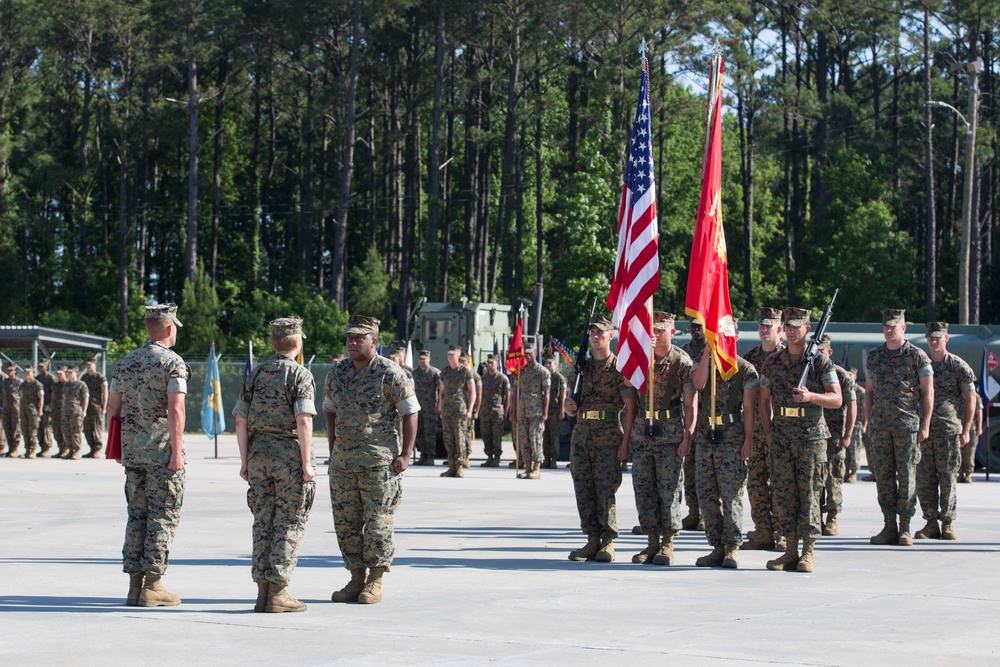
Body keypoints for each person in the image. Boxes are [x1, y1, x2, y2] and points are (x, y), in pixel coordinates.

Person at [324, 315, 419, 605]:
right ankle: (356, 577)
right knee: (346, 523)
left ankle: (375, 580)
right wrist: (333, 448)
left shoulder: (390, 372)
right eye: (349, 338)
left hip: (379, 463)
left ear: (374, 342)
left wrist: (405, 454)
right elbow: (329, 409)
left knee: (378, 523)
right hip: (343, 464)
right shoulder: (337, 372)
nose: (352, 342)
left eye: (358, 338)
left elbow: (410, 411)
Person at [107, 303, 189, 607]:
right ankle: (153, 584)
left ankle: (134, 585)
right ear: (169, 328)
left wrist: (117, 447)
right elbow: (176, 409)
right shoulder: (172, 363)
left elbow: (113, 409)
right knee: (162, 516)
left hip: (133, 454)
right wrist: (177, 451)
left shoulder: (124, 363)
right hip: (161, 453)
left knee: (137, 516)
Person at [234, 316, 316, 613]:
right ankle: (278, 592)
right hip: (288, 457)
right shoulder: (299, 375)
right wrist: (307, 463)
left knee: (262, 523)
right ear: (297, 342)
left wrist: (245, 461)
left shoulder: (255, 374)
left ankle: (262, 591)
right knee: (288, 523)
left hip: (259, 457)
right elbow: (304, 420)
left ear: (272, 342)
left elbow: (240, 419)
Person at [759, 308, 842, 573]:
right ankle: (790, 550)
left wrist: (812, 397)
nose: (792, 330)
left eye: (797, 326)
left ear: (807, 329)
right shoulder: (773, 362)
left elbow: (836, 399)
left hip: (811, 437)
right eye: (788, 326)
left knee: (809, 493)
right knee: (784, 494)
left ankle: (808, 551)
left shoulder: (820, 362)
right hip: (782, 435)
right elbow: (763, 400)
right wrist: (770, 430)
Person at [563, 313, 638, 562]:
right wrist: (568, 406)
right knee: (583, 489)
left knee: (606, 489)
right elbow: (572, 403)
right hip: (582, 432)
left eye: (600, 332)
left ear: (611, 335)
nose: (595, 336)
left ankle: (608, 542)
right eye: (592, 332)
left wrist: (625, 441)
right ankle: (591, 539)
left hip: (607, 433)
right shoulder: (581, 367)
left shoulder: (619, 368)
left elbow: (630, 407)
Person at [685, 322, 757, 569]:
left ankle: (732, 547)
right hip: (705, 436)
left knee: (731, 494)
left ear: (735, 337)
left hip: (732, 437)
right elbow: (699, 384)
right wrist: (707, 352)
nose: (721, 339)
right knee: (706, 493)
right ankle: (716, 545)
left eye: (726, 335)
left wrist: (748, 441)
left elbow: (749, 410)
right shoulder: (702, 360)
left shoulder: (745, 370)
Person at [629, 312, 696, 566]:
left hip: (670, 434)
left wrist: (687, 436)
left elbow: (691, 405)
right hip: (642, 433)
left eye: (660, 330)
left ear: (673, 332)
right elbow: (630, 394)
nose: (655, 335)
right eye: (652, 330)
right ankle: (651, 541)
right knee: (644, 489)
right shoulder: (641, 358)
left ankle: (668, 543)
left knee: (669, 490)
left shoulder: (682, 362)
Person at [864, 308, 933, 546]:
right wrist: (868, 421)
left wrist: (925, 424)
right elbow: (869, 392)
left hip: (907, 426)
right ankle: (889, 526)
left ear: (903, 327)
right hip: (881, 426)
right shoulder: (874, 356)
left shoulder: (917, 356)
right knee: (883, 477)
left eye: (893, 326)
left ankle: (905, 527)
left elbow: (927, 392)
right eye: (885, 326)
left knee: (906, 476)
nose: (888, 330)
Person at [914, 322, 975, 541]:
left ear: (946, 339)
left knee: (948, 476)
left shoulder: (958, 366)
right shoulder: (920, 364)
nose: (934, 341)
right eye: (930, 338)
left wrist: (966, 429)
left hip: (948, 430)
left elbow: (971, 399)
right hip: (924, 430)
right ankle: (930, 522)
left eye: (938, 338)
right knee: (925, 478)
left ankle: (947, 522)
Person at [742, 307, 785, 551]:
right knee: (756, 483)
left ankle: (782, 532)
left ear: (779, 329)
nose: (764, 329)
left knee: (780, 483)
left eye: (769, 326)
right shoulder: (750, 358)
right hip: (754, 431)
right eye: (761, 325)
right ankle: (763, 530)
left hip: (780, 432)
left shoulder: (788, 357)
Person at [817, 335, 857, 537]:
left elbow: (852, 406)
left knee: (833, 479)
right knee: (815, 479)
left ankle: (832, 517)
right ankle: (815, 516)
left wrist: (848, 434)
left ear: (829, 352)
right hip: (815, 436)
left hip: (834, 436)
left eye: (822, 350)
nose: (818, 354)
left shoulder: (840, 376)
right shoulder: (811, 373)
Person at [680, 319, 707, 531]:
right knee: (689, 468)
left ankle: (708, 513)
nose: (695, 328)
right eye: (693, 325)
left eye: (699, 325)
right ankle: (693, 511)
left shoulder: (713, 350)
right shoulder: (684, 353)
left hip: (709, 417)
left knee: (707, 469)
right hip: (689, 417)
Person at [511, 342, 551, 479]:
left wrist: (545, 412)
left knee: (536, 439)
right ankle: (527, 467)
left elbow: (547, 393)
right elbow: (515, 393)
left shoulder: (542, 372)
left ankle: (536, 469)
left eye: (530, 352)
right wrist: (513, 412)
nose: (528, 355)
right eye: (526, 353)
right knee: (524, 439)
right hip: (522, 411)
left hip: (536, 412)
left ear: (536, 353)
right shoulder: (521, 372)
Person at [438, 345, 476, 477]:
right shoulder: (445, 372)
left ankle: (460, 466)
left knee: (460, 438)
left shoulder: (465, 372)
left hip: (460, 410)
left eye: (452, 355)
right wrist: (441, 408)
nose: (450, 357)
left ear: (458, 356)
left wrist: (470, 410)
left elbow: (472, 392)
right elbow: (442, 392)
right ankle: (451, 466)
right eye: (448, 354)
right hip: (447, 409)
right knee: (448, 438)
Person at [479, 354, 511, 467]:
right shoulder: (483, 378)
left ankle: (497, 457)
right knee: (486, 435)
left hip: (497, 411)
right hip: (485, 411)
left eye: (492, 363)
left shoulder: (503, 378)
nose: (489, 365)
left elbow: (508, 396)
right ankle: (489, 457)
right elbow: (480, 395)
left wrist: (506, 410)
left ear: (497, 364)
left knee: (497, 435)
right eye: (488, 363)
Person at [412, 350, 442, 466]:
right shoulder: (414, 373)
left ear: (429, 359)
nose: (422, 361)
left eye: (424, 359)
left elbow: (441, 390)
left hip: (430, 408)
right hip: (418, 408)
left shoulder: (435, 373)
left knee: (429, 433)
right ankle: (423, 455)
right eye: (420, 359)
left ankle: (430, 456)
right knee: (419, 433)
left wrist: (438, 405)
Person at [542, 353, 567, 469]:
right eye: (546, 363)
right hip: (543, 411)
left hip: (555, 411)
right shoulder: (543, 376)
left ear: (555, 364)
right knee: (544, 436)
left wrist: (562, 410)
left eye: (550, 363)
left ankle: (553, 459)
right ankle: (546, 459)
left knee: (554, 437)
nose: (547, 365)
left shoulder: (559, 378)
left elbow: (563, 395)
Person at [80, 356, 108, 458]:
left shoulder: (100, 378)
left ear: (95, 365)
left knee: (96, 428)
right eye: (87, 365)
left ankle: (97, 449)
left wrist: (104, 407)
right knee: (87, 429)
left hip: (96, 406)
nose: (88, 367)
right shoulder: (85, 378)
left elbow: (105, 393)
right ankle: (91, 448)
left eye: (90, 365)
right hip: (86, 407)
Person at [61, 366, 89, 461]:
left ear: (76, 373)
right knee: (67, 431)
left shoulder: (81, 385)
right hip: (66, 411)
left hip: (76, 411)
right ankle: (70, 450)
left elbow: (86, 398)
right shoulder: (66, 385)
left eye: (71, 372)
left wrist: (84, 410)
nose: (69, 374)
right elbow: (64, 398)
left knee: (76, 431)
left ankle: (76, 451)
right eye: (68, 372)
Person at [460, 352, 482, 468]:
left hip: (468, 408)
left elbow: (478, 394)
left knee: (467, 433)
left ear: (468, 362)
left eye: (463, 361)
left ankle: (466, 457)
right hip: (458, 409)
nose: (461, 364)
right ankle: (458, 457)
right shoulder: (457, 374)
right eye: (460, 361)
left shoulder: (475, 376)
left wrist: (476, 410)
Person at [18, 365, 44, 459]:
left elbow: (41, 398)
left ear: (33, 373)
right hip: (24, 410)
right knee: (25, 431)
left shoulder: (37, 384)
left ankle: (33, 450)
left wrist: (40, 410)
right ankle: (27, 450)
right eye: (26, 372)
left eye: (29, 372)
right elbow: (21, 397)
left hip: (33, 411)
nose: (27, 374)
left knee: (33, 431)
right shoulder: (23, 384)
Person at [958, 393, 983, 483]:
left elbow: (979, 412)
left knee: (970, 452)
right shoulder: (957, 393)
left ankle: (968, 474)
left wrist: (979, 427)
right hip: (958, 426)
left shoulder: (975, 396)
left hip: (971, 428)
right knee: (958, 451)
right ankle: (960, 474)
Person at [845, 368, 865, 483]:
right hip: (845, 423)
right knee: (846, 450)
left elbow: (865, 409)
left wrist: (865, 424)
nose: (848, 377)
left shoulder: (860, 391)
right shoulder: (844, 389)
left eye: (850, 375)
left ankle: (854, 472)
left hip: (856, 424)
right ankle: (845, 471)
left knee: (854, 449)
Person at [2, 363, 23, 457]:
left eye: (11, 370)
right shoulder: (5, 382)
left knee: (16, 429)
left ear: (15, 371)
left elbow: (23, 396)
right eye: (8, 370)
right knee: (7, 428)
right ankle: (10, 448)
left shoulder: (19, 382)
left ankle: (15, 448)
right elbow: (3, 394)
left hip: (16, 409)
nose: (9, 372)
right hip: (6, 408)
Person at [36, 359, 56, 457]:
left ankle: (47, 448)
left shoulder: (51, 378)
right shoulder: (38, 378)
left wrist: (52, 406)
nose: (40, 368)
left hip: (48, 406)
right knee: (39, 428)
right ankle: (42, 447)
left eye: (42, 366)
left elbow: (54, 393)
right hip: (39, 406)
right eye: (39, 366)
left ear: (46, 367)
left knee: (46, 428)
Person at [50, 367, 67, 458]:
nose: (59, 375)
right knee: (56, 430)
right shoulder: (55, 385)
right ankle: (60, 449)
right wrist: (51, 407)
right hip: (55, 410)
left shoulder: (68, 384)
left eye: (61, 373)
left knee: (64, 430)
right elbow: (53, 397)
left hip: (64, 411)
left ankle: (65, 449)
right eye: (58, 374)